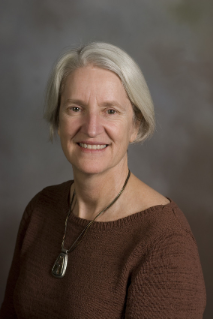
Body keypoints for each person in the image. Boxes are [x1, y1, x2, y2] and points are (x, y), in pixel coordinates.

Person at [0, 42, 206, 318]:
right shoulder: (40, 208)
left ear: (136, 125)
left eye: (110, 110)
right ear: (57, 120)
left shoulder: (165, 240)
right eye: (75, 108)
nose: (92, 128)